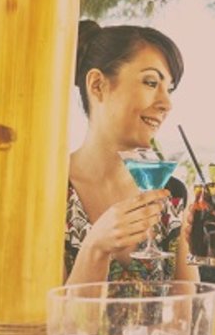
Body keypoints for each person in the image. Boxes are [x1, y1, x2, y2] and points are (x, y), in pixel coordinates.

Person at [66, 20, 197, 284]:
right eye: (151, 82)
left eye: (169, 89)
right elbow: (51, 320)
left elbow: (187, 310)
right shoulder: (46, 194)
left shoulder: (172, 195)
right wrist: (95, 247)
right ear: (97, 85)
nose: (167, 104)